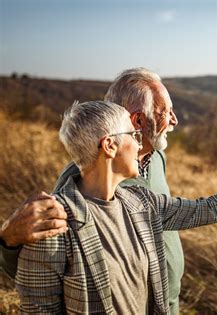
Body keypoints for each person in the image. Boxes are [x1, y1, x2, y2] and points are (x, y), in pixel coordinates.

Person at [15, 100, 217, 313]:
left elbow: (205, 209)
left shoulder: (142, 202)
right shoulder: (53, 226)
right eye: (133, 135)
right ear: (109, 146)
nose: (140, 143)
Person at [1, 67, 183, 313]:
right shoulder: (77, 180)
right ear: (137, 121)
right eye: (166, 112)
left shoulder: (158, 157)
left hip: (167, 304)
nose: (174, 120)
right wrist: (8, 241)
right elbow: (41, 263)